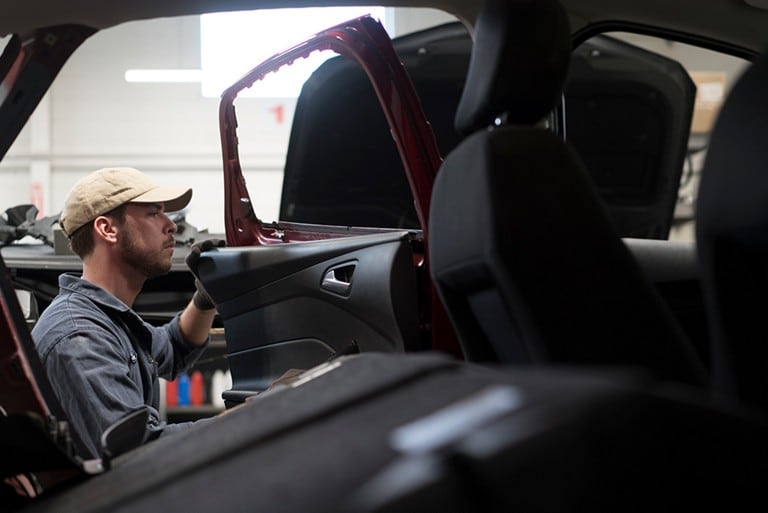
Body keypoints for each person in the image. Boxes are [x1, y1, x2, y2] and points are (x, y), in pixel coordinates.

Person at [32, 167, 223, 459]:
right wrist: (250, 418)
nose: (171, 225)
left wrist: (205, 299)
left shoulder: (111, 320)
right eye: (153, 213)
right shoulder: (79, 336)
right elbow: (137, 451)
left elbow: (173, 345)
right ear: (108, 229)